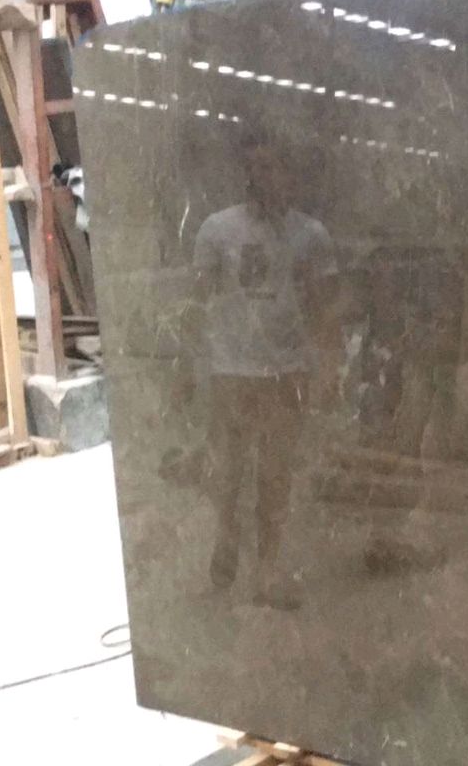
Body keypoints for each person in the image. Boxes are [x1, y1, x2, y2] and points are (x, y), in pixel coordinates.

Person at [192, 130, 336, 610]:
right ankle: (226, 537)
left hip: (285, 372)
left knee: (275, 476)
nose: (262, 177)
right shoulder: (216, 230)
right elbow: (198, 303)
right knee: (228, 472)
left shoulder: (311, 236)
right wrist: (193, 369)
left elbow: (324, 310)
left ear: (289, 175)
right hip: (231, 372)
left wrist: (326, 370)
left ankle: (268, 571)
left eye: (272, 167)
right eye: (254, 168)